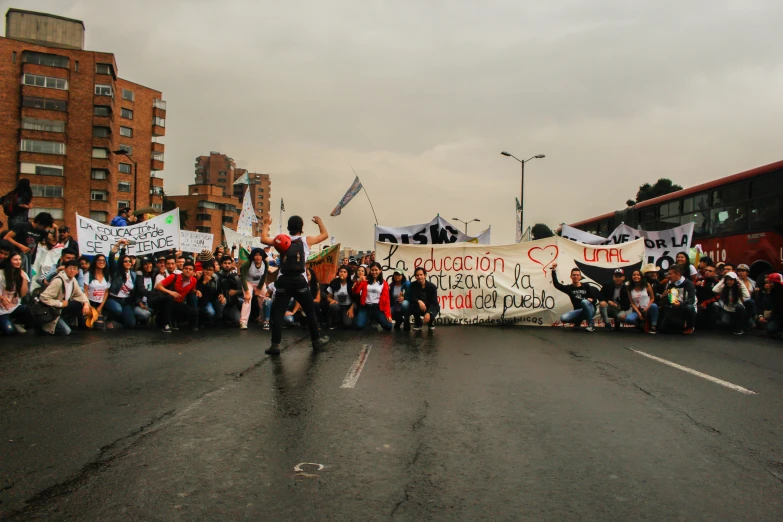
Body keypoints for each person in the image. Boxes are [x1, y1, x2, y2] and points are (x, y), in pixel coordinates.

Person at [259, 215, 330, 355]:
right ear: (301, 228)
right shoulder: (305, 240)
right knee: (310, 311)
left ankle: (275, 345)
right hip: (300, 280)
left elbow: (263, 239)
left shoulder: (281, 240)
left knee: (278, 313)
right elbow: (324, 235)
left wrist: (266, 223)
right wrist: (319, 222)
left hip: (283, 280)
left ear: (288, 228)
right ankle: (316, 341)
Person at [38, 259, 91, 335]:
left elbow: (80, 294)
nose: (72, 271)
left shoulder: (73, 280)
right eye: (69, 268)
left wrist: (86, 303)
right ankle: (44, 326)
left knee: (79, 304)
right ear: (65, 269)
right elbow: (43, 298)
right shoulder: (58, 280)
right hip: (51, 310)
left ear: (78, 271)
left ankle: (63, 321)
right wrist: (60, 304)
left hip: (60, 310)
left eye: (75, 268)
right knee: (66, 331)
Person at [551, 263, 599, 332]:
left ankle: (591, 325)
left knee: (584, 301)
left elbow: (594, 299)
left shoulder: (586, 286)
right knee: (563, 318)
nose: (575, 276)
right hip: (579, 311)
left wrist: (591, 300)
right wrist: (553, 270)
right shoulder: (569, 288)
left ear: (580, 277)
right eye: (574, 275)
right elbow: (557, 285)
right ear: (571, 276)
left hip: (590, 310)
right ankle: (578, 320)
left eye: (577, 275)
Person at [155, 259, 199, 333]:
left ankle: (183, 322)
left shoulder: (194, 280)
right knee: (169, 299)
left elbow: (191, 290)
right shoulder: (173, 277)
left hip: (177, 303)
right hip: (165, 302)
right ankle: (166, 324)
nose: (188, 270)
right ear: (182, 270)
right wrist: (170, 292)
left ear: (193, 272)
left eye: (190, 269)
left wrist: (196, 291)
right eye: (186, 269)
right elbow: (158, 286)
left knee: (193, 312)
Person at [105, 239, 139, 328]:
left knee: (131, 323)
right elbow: (111, 256)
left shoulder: (133, 274)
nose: (128, 263)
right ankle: (108, 318)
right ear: (121, 263)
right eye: (125, 261)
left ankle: (117, 322)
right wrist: (119, 244)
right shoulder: (116, 272)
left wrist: (124, 247)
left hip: (126, 301)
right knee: (117, 310)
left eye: (129, 261)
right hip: (114, 299)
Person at [353, 262, 393, 331]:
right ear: (370, 271)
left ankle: (375, 319)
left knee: (388, 326)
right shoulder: (365, 281)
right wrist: (358, 282)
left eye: (376, 270)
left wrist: (388, 315)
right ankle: (367, 319)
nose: (374, 272)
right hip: (365, 308)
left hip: (377, 308)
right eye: (372, 270)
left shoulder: (384, 283)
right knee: (359, 326)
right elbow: (355, 292)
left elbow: (386, 300)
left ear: (380, 270)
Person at [0, 252, 33, 335]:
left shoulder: (22, 274)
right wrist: (1, 298)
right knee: (10, 331)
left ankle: (16, 322)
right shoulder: (1, 274)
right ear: (9, 261)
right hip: (1, 310)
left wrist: (24, 279)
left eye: (19, 259)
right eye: (15, 259)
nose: (18, 262)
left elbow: (22, 294)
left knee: (31, 314)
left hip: (14, 306)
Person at [658, 264, 697, 334]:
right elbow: (672, 299)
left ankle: (690, 327)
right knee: (662, 328)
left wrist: (681, 304)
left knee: (690, 307)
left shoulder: (689, 284)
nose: (668, 276)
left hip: (686, 308)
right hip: (675, 308)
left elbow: (692, 300)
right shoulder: (671, 285)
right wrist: (667, 298)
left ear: (677, 274)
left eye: (670, 274)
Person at [239, 247, 269, 329]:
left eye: (260, 255)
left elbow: (264, 276)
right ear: (253, 256)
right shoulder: (248, 263)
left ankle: (262, 320)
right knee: (247, 299)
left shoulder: (265, 263)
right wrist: (247, 291)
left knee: (264, 299)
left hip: (259, 282)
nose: (258, 257)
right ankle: (243, 322)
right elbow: (243, 277)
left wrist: (259, 289)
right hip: (248, 282)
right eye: (256, 255)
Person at [405, 267, 439, 331]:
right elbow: (412, 297)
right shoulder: (413, 285)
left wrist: (428, 313)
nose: (419, 277)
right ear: (415, 276)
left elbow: (434, 302)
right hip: (419, 306)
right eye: (417, 275)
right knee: (414, 305)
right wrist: (419, 301)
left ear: (425, 275)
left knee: (435, 308)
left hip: (430, 306)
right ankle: (418, 323)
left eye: (421, 275)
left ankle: (431, 322)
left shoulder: (432, 287)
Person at [625, 270, 659, 334]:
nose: (636, 276)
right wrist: (639, 313)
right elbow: (632, 302)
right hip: (637, 310)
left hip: (647, 308)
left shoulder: (647, 285)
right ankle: (639, 323)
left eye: (638, 275)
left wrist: (646, 308)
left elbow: (652, 298)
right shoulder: (629, 287)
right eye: (634, 275)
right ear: (631, 277)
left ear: (641, 276)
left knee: (654, 306)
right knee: (628, 319)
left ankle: (653, 326)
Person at [83, 254, 111, 326]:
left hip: (100, 303)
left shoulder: (107, 276)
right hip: (89, 303)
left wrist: (100, 307)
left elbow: (106, 292)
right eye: (99, 260)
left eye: (103, 260)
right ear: (95, 261)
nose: (101, 262)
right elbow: (85, 290)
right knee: (88, 325)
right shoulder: (88, 274)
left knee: (99, 326)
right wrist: (88, 304)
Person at [215, 255, 243, 327]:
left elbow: (242, 291)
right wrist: (220, 295)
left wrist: (236, 292)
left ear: (232, 264)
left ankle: (226, 316)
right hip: (218, 302)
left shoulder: (236, 277)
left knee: (238, 320)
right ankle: (218, 318)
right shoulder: (216, 276)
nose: (227, 265)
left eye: (229, 263)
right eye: (225, 263)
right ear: (221, 264)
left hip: (230, 304)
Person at [133, 257, 158, 325]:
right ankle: (138, 318)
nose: (148, 266)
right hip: (139, 304)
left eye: (149, 263)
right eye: (145, 264)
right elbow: (137, 291)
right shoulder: (139, 275)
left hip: (149, 303)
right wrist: (140, 303)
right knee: (146, 314)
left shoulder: (153, 275)